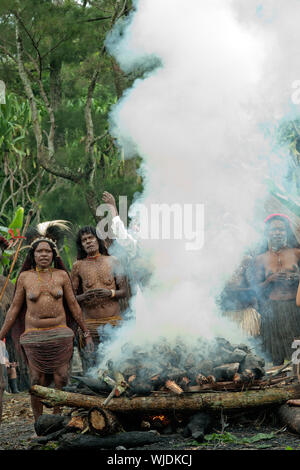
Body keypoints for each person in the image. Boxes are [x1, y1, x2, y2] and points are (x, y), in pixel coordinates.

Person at [0, 221, 94, 421]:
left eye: (48, 251)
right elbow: (14, 309)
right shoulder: (24, 277)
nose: (44, 254)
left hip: (60, 334)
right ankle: (39, 423)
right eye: (40, 251)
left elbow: (73, 306)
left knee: (62, 378)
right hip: (34, 337)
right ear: (33, 255)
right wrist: (0, 336)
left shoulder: (61, 275)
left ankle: (57, 419)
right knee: (36, 379)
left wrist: (86, 332)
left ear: (53, 255)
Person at [71, 226, 127, 373]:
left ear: (98, 240)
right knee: (93, 368)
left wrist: (110, 293)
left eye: (91, 238)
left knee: (117, 365)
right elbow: (71, 298)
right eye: (84, 240)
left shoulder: (113, 261)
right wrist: (84, 296)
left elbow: (125, 291)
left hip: (114, 323)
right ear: (81, 245)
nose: (88, 242)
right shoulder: (78, 266)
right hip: (90, 326)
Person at [254, 213, 300, 365]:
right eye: (274, 230)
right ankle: (278, 376)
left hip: (293, 307)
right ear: (267, 232)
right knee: (276, 350)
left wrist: (297, 278)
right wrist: (269, 280)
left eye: (281, 229)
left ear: (286, 232)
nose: (277, 233)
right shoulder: (261, 258)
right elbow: (256, 288)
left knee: (296, 347)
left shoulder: (296, 253)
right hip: (272, 309)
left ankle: (296, 378)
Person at [220, 254, 261, 338]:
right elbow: (228, 289)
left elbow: (253, 292)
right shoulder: (226, 272)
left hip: (246, 314)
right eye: (243, 263)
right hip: (229, 314)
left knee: (247, 341)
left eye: (247, 263)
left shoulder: (247, 273)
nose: (244, 266)